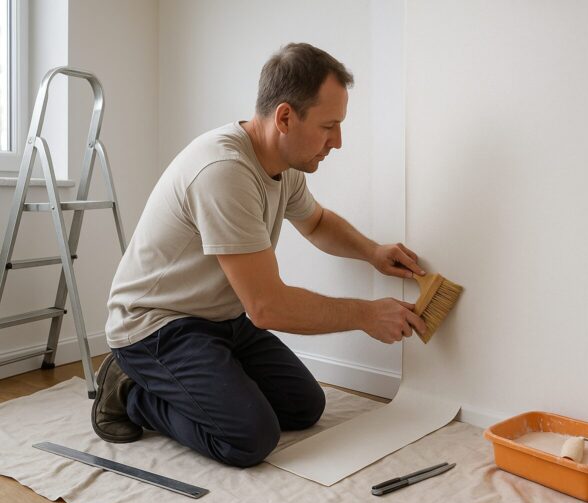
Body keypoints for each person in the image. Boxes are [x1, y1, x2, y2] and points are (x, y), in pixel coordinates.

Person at [91, 42, 427, 467]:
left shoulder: (281, 164)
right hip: (156, 325)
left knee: (304, 407)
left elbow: (317, 222)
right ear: (285, 117)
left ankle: (199, 381)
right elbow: (267, 308)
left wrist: (372, 252)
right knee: (249, 438)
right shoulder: (224, 172)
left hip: (220, 319)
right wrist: (365, 315)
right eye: (329, 126)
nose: (338, 142)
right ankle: (131, 392)